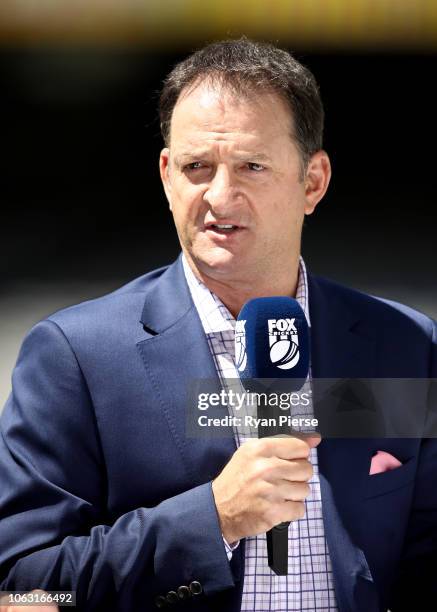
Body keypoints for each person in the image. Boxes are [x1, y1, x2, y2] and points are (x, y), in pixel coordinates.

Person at [0, 38, 436, 612]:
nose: (220, 196)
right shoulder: (76, 357)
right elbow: (25, 588)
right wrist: (213, 519)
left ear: (313, 181)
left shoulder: (405, 345)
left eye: (252, 166)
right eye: (197, 167)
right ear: (166, 176)